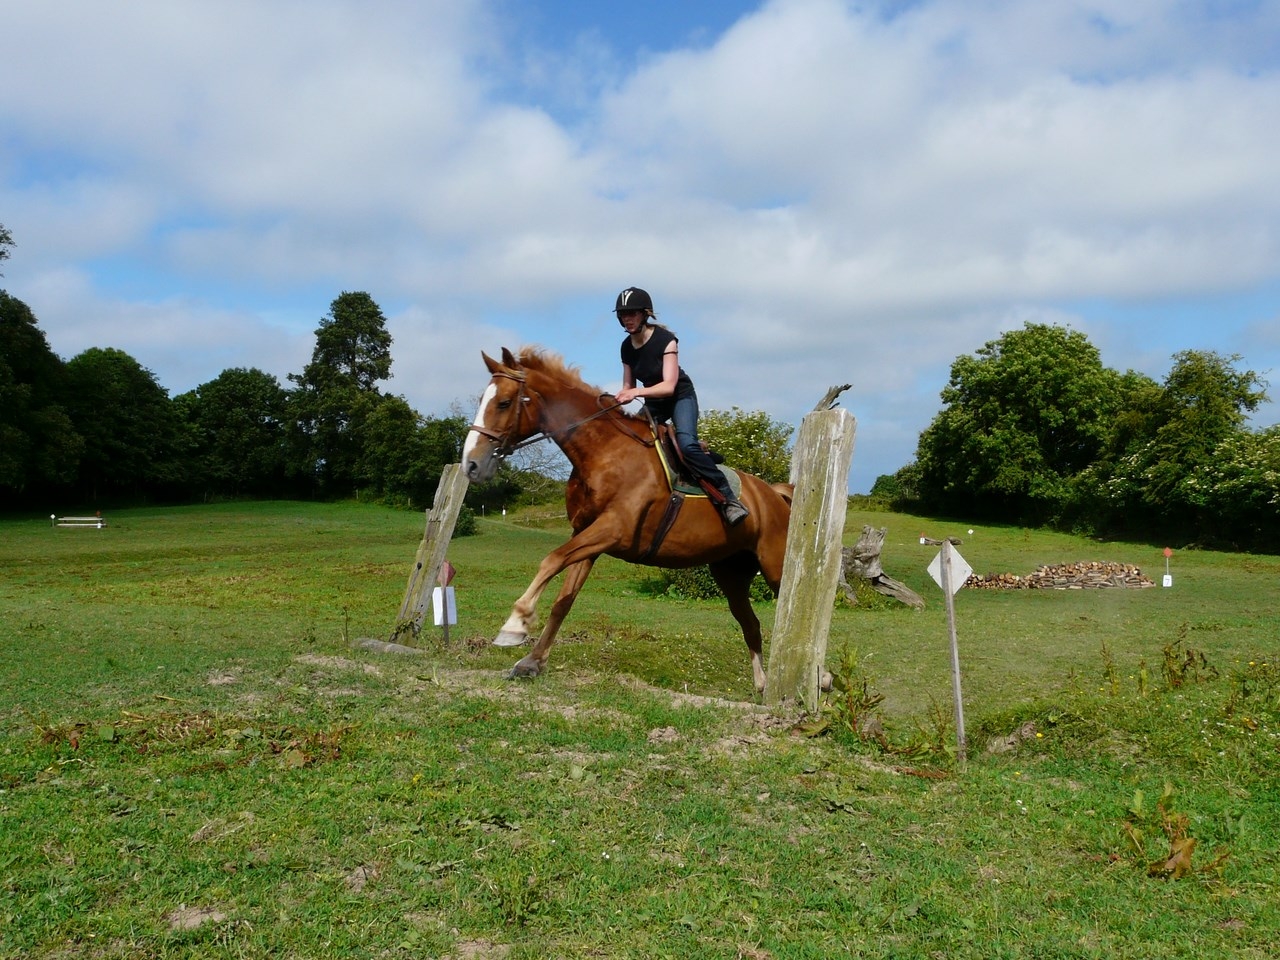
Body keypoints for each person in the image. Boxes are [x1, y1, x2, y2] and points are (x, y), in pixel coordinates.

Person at [612, 286, 749, 527]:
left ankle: (728, 499)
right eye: (624, 314)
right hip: (654, 403)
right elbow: (628, 386)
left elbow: (668, 386)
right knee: (631, 440)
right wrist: (621, 396)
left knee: (686, 446)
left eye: (632, 313)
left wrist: (635, 392)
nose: (628, 318)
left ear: (645, 315)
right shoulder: (626, 346)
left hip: (679, 398)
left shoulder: (666, 341)